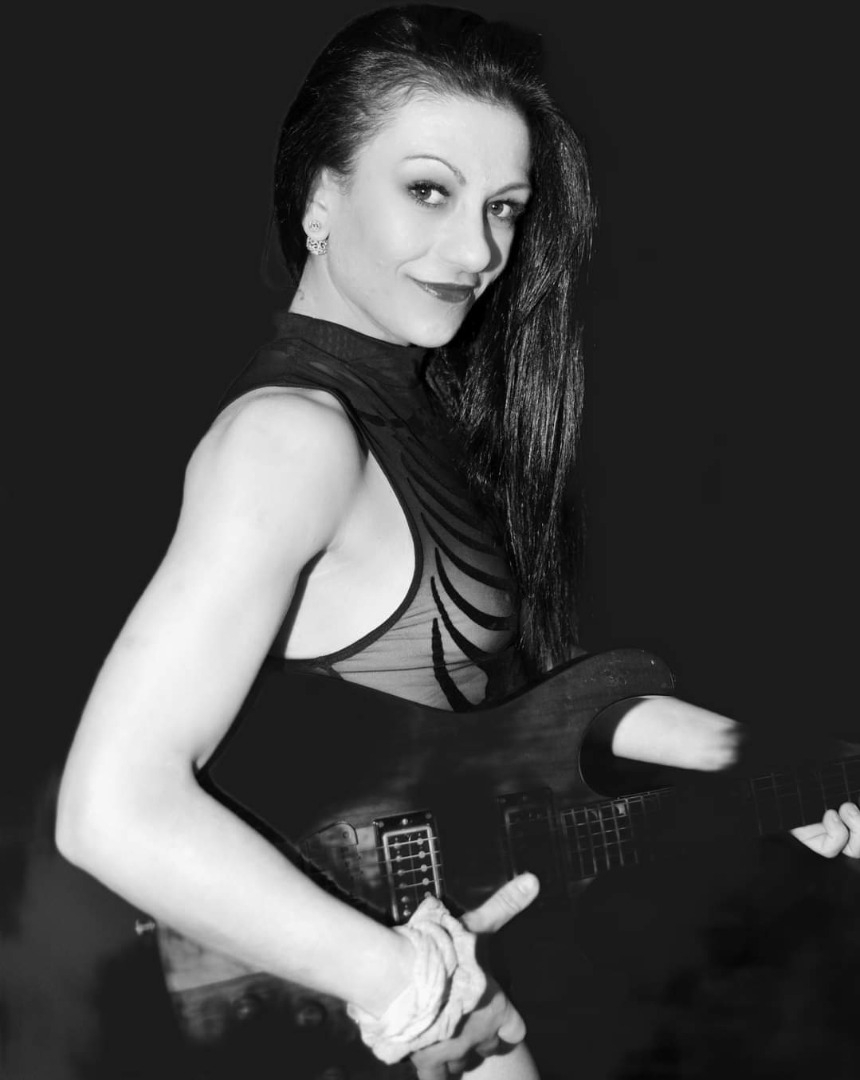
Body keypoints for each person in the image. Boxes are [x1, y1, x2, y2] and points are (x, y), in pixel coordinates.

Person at [55, 6, 859, 1079]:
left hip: (441, 983)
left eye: (503, 208)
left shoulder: (415, 421)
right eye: (428, 190)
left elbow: (525, 723)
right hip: (336, 1004)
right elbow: (111, 809)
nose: (479, 249)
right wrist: (402, 985)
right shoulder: (291, 439)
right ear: (319, 198)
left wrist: (778, 770)